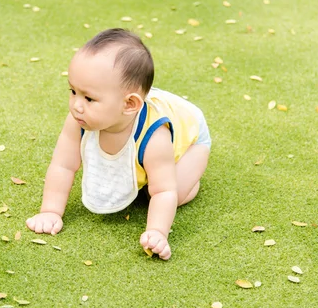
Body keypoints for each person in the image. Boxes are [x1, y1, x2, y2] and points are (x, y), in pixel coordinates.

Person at [26, 28, 211, 260]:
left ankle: (191, 178)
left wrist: (157, 232)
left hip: (192, 138)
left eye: (89, 98)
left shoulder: (155, 137)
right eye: (73, 91)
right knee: (149, 183)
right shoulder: (79, 120)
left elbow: (164, 191)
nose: (76, 105)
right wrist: (50, 211)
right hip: (130, 113)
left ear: (129, 104)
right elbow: (63, 165)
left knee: (171, 191)